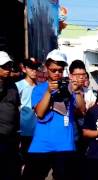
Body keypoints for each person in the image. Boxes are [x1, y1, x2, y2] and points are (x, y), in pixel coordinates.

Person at [22, 49, 86, 180]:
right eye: (53, 70)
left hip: (65, 144)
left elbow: (81, 111)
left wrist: (77, 91)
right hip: (41, 144)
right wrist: (48, 92)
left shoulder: (69, 87)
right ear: (46, 68)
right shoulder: (39, 89)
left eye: (60, 70)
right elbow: (39, 113)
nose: (57, 73)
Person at [15, 58, 41, 173]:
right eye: (31, 68)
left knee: (36, 162)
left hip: (38, 129)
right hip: (24, 130)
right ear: (24, 69)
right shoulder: (18, 86)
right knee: (24, 159)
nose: (34, 71)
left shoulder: (40, 86)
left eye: (36, 68)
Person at [0, 51, 21, 180]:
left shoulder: (12, 85)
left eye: (9, 66)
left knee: (13, 171)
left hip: (12, 137)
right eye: (4, 66)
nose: (8, 69)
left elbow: (16, 108)